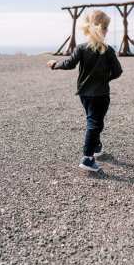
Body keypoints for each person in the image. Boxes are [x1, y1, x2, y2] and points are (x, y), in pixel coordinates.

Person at [47, 10, 123, 172]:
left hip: (84, 94)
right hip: (100, 94)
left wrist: (54, 64)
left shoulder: (81, 48)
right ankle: (87, 158)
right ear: (106, 30)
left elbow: (68, 64)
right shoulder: (108, 50)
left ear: (87, 28)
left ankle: (96, 146)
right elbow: (118, 72)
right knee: (95, 123)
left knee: (92, 119)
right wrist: (105, 79)